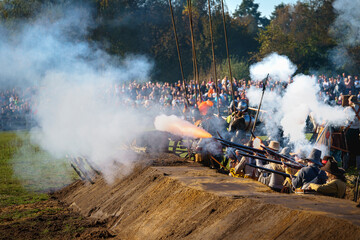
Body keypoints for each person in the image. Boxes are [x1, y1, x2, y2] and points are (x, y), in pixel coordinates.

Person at [344, 95, 360, 169]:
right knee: (357, 148)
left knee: (347, 148)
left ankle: (347, 166)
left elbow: (343, 119)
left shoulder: (347, 109)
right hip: (357, 130)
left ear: (351, 101)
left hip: (349, 130)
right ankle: (357, 166)